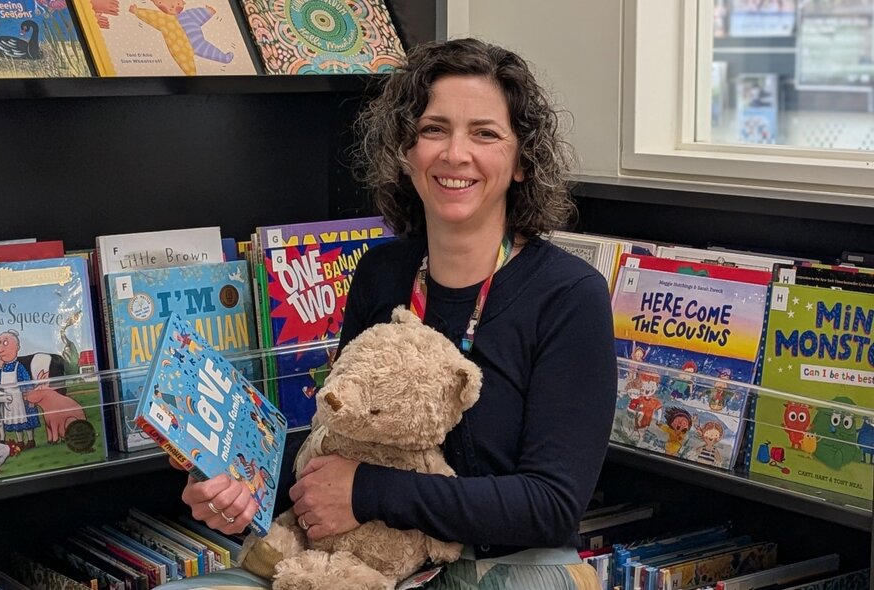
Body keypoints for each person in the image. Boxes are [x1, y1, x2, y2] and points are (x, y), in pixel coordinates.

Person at [161, 37, 617, 590]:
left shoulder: (570, 296)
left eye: (485, 133)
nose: (455, 153)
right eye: (433, 129)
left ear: (521, 161)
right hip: (363, 559)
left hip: (500, 566)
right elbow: (340, 438)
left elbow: (550, 506)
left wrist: (366, 491)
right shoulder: (381, 273)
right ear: (406, 152)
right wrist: (241, 486)